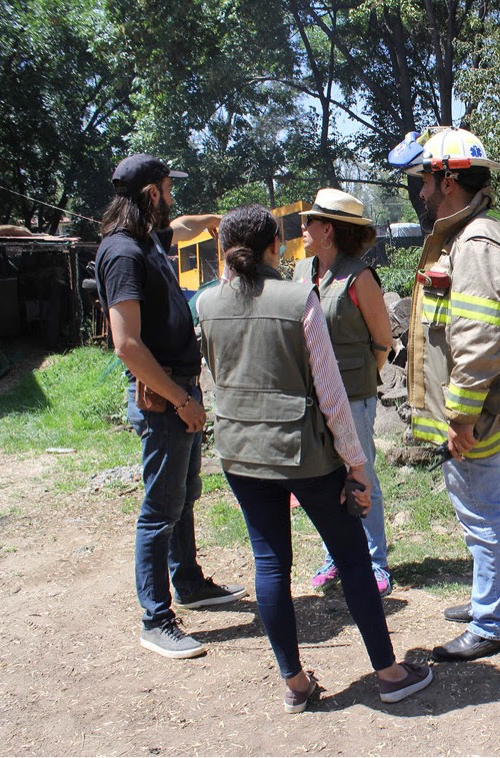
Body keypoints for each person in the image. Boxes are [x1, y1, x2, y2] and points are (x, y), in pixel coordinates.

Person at [195, 204, 432, 712]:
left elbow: (216, 375)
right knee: (352, 558)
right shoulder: (298, 296)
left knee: (269, 564)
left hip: (240, 452)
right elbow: (330, 393)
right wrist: (357, 465)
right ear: (273, 249)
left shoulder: (206, 303)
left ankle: (295, 684)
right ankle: (389, 674)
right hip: (305, 453)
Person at [387, 127, 500, 661]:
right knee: (489, 505)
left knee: (479, 509)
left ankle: (490, 622)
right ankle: (499, 600)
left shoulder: (478, 242)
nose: (419, 192)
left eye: (424, 181)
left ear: (448, 179)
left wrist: (460, 416)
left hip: (475, 410)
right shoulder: (468, 234)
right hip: (478, 404)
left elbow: (482, 338)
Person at [95, 153, 247, 660]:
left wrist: (217, 222)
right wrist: (182, 399)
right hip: (163, 399)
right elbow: (127, 344)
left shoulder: (146, 240)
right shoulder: (122, 254)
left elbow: (182, 227)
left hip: (180, 394)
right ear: (151, 194)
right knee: (160, 510)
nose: (173, 196)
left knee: (183, 497)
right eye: (168, 187)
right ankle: (156, 619)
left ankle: (190, 584)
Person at [293, 189, 394, 597]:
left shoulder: (360, 277)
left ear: (328, 231)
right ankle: (336, 555)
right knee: (324, 478)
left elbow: (383, 343)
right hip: (313, 398)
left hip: (353, 396)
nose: (303, 228)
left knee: (361, 474)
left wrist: (359, 379)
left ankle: (374, 561)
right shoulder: (302, 272)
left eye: (310, 222)